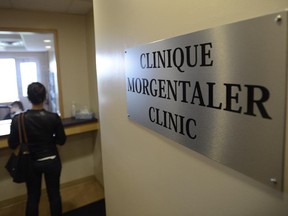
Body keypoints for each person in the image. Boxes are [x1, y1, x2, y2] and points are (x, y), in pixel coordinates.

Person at [8, 82, 66, 216]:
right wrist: (49, 140)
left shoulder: (19, 119)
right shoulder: (53, 117)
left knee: (33, 197)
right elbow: (61, 141)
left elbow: (12, 144)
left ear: (28, 98)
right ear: (45, 97)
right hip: (52, 160)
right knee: (54, 195)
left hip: (31, 162)